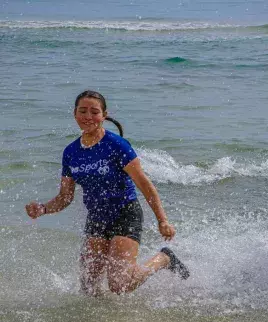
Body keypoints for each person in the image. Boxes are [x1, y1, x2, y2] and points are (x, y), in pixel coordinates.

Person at [25, 90, 189, 296]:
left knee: (119, 285)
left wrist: (162, 220)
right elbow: (65, 197)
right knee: (88, 287)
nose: (88, 117)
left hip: (125, 214)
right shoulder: (70, 152)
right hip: (97, 218)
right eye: (82, 111)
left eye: (94, 112)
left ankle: (165, 258)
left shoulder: (117, 145)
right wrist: (43, 209)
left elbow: (145, 185)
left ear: (104, 115)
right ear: (74, 114)